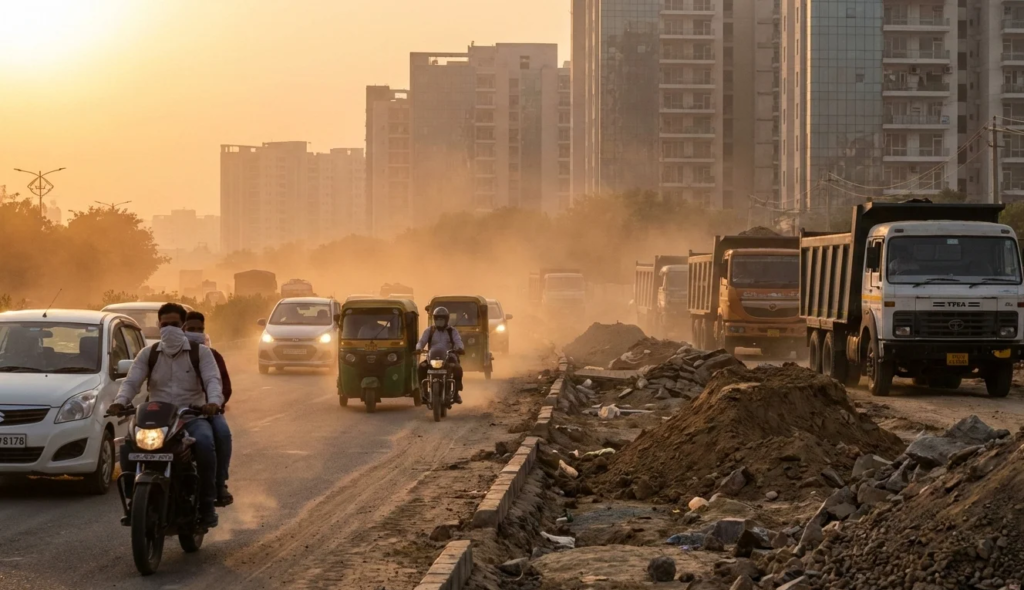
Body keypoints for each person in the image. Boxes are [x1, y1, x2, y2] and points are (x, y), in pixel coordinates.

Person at [108, 303, 224, 528]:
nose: (169, 328)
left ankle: (207, 504)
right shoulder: (147, 354)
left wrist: (213, 403)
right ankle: (134, 498)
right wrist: (119, 402)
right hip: (157, 418)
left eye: (174, 324)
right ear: (158, 326)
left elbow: (212, 380)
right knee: (128, 446)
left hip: (192, 417)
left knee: (206, 444)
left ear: (183, 326)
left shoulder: (201, 353)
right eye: (164, 324)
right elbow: (132, 382)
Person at [184, 310, 234, 507]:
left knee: (222, 433)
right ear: (183, 330)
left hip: (206, 412)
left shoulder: (212, 355)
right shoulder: (166, 354)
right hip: (176, 411)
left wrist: (214, 404)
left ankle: (219, 483)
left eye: (199, 329)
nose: (196, 333)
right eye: (191, 329)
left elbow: (225, 387)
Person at [416, 307, 464, 404]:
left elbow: (458, 341)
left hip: (449, 357)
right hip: (432, 357)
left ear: (446, 319)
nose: (439, 321)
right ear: (434, 319)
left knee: (458, 369)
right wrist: (418, 348)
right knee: (421, 368)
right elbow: (421, 341)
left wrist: (459, 348)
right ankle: (423, 392)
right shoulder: (429, 330)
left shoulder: (452, 331)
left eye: (442, 319)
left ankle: (456, 393)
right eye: (437, 319)